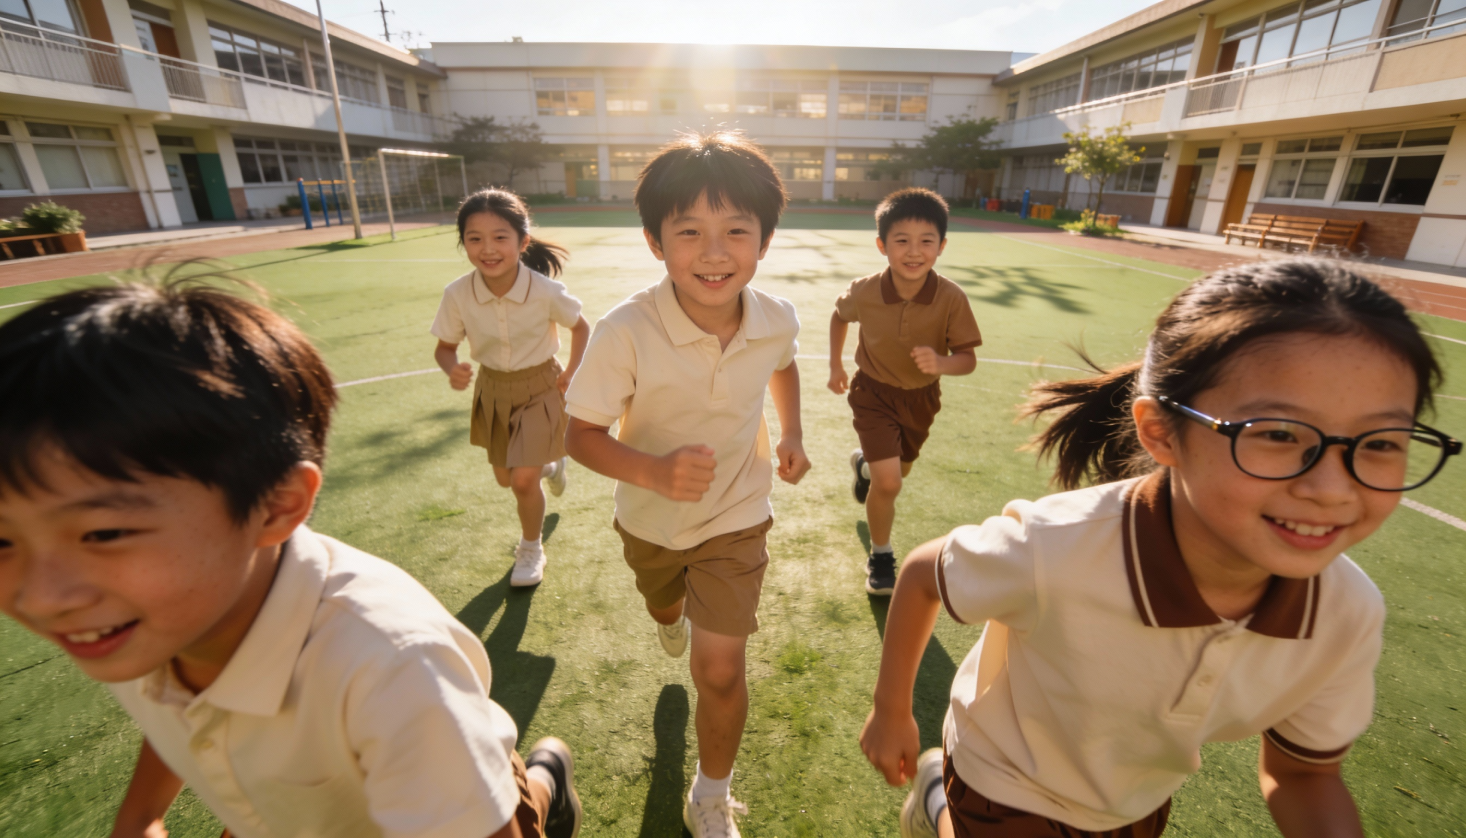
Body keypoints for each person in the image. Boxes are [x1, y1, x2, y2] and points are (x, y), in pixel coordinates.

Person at [858, 259, 1460, 838]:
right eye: (1277, 434)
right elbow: (922, 574)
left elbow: (1303, 773)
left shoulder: (1346, 614)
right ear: (1160, 431)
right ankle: (942, 795)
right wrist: (892, 711)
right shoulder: (1057, 546)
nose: (1331, 488)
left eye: (1382, 442)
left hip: (1133, 803)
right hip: (1004, 776)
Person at [0, 280, 585, 838]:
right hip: (281, 817)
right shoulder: (139, 621)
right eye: (2, 541)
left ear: (278, 506)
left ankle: (543, 784)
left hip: (463, 801)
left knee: (511, 803)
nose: (40, 597)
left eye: (103, 533)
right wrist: (139, 814)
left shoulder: (393, 670)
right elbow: (179, 704)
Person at [564, 131, 810, 838]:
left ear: (763, 241)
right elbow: (577, 435)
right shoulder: (625, 331)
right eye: (689, 232)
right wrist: (653, 472)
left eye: (737, 230)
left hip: (737, 514)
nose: (713, 252)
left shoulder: (776, 318)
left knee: (722, 669)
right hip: (649, 522)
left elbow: (784, 364)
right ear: (654, 241)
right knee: (662, 603)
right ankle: (668, 613)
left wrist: (790, 433)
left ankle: (711, 792)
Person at [432, 188, 591, 587]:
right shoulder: (457, 294)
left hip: (541, 384)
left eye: (500, 237)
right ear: (463, 243)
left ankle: (530, 548)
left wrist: (572, 370)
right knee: (507, 478)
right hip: (493, 390)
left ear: (523, 242)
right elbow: (445, 348)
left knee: (522, 481)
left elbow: (581, 327)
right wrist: (452, 369)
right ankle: (552, 464)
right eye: (474, 238)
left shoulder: (545, 291)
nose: (488, 248)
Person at [828, 188, 982, 595]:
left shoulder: (951, 297)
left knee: (899, 471)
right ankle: (881, 555)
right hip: (872, 393)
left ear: (942, 246)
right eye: (901, 241)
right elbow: (838, 315)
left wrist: (943, 362)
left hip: (921, 400)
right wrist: (835, 364)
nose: (914, 252)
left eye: (926, 241)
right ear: (882, 245)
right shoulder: (864, 290)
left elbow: (967, 358)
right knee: (891, 484)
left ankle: (864, 466)